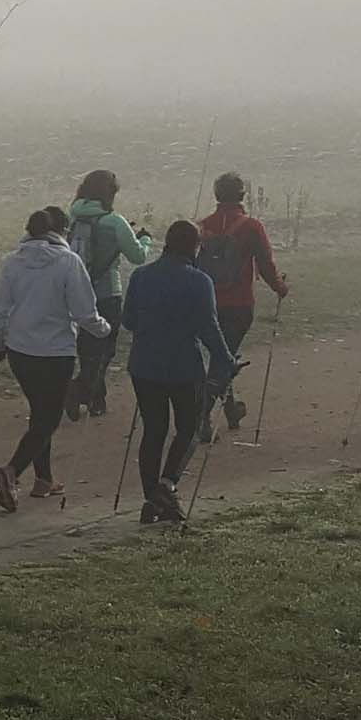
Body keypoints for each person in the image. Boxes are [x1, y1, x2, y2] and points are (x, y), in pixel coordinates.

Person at [0, 208, 108, 514]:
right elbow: (84, 312)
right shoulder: (68, 262)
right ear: (61, 231)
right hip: (56, 351)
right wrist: (103, 329)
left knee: (40, 413)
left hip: (20, 350)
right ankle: (12, 471)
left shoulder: (12, 261)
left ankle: (44, 479)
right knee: (49, 419)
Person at [123, 220, 247, 523]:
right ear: (195, 247)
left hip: (144, 365)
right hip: (183, 367)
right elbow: (209, 329)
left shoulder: (141, 276)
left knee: (154, 430)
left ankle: (152, 497)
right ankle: (167, 485)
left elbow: (128, 320)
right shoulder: (199, 281)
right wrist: (227, 361)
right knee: (189, 429)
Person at [191, 173, 290, 436]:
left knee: (221, 354)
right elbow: (266, 265)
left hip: (207, 303)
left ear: (216, 194)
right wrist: (280, 287)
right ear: (242, 195)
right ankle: (202, 414)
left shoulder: (203, 226)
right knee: (224, 359)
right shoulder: (251, 227)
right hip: (239, 304)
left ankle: (231, 409)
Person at [64, 170, 150, 419]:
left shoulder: (73, 217)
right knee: (106, 348)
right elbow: (137, 257)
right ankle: (79, 389)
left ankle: (96, 400)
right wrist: (144, 240)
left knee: (86, 346)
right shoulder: (114, 221)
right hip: (107, 292)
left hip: (77, 291)